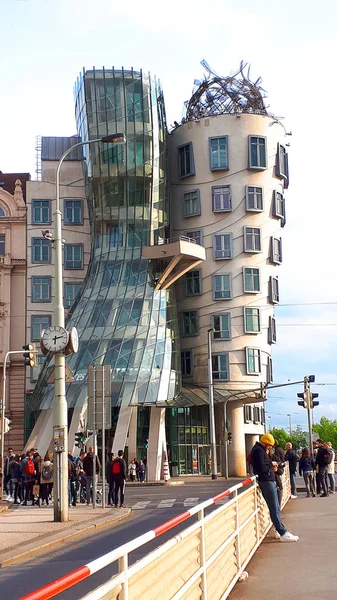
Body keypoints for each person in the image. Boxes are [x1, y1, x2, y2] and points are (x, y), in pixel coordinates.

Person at [250, 433, 299, 542]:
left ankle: (280, 530)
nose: (270, 447)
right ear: (266, 443)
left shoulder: (258, 450)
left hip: (267, 480)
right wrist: (272, 465)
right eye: (269, 445)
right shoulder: (259, 451)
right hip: (266, 480)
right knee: (274, 507)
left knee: (275, 507)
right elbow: (261, 467)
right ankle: (282, 532)